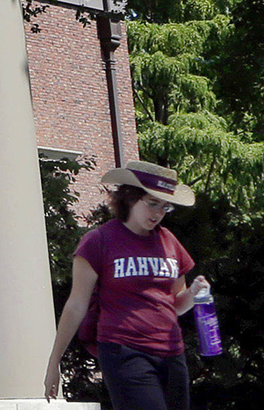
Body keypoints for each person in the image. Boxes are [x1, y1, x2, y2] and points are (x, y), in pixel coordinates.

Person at [45, 161, 206, 410]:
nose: (158, 213)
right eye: (152, 203)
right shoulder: (98, 241)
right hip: (124, 352)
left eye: (165, 206)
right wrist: (55, 362)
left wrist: (194, 294)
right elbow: (76, 305)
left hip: (172, 353)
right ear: (130, 198)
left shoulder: (170, 242)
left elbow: (175, 306)